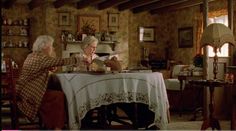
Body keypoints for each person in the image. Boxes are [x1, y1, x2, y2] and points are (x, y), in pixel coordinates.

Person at [16, 35, 87, 130]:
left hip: (25, 91)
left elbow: (41, 69)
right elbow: (60, 61)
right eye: (51, 46)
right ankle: (57, 127)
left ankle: (53, 124)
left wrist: (49, 67)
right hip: (30, 95)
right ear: (44, 47)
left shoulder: (32, 55)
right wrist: (79, 58)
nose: (53, 48)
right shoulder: (41, 58)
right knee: (59, 96)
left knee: (56, 91)